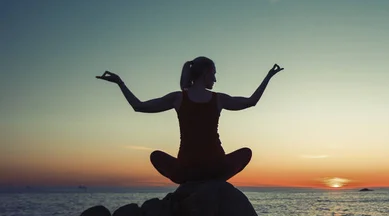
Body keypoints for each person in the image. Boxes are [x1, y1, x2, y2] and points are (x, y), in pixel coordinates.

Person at [96, 57, 284, 184]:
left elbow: (139, 106)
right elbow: (251, 101)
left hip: (187, 169)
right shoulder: (218, 98)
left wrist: (120, 83)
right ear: (206, 73)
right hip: (215, 168)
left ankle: (193, 184)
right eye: (214, 73)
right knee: (246, 153)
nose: (216, 79)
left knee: (155, 156)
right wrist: (268, 76)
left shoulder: (178, 97)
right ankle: (212, 184)